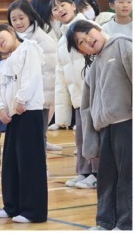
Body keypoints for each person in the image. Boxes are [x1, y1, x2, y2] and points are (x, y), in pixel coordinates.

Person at [67, 19, 132, 231]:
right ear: (81, 51)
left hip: (127, 123)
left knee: (127, 176)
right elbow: (86, 108)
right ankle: (105, 222)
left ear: (97, 29)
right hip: (106, 129)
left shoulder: (122, 44)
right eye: (80, 42)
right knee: (106, 177)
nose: (87, 40)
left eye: (87, 33)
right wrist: (90, 141)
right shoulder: (94, 66)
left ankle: (126, 224)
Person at [0, 23, 47, 223]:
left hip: (29, 112)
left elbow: (32, 76)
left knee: (30, 163)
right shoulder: (5, 62)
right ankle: (11, 206)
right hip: (13, 116)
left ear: (12, 31)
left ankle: (33, 211)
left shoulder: (29, 48)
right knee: (12, 163)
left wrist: (21, 100)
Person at [52, 0, 100, 188]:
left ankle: (97, 174)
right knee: (81, 136)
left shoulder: (88, 26)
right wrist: (62, 112)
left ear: (73, 6)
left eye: (62, 5)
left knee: (93, 136)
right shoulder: (61, 40)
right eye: (55, 9)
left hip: (94, 92)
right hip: (78, 96)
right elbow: (60, 75)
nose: (60, 10)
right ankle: (84, 171)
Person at [7, 0, 59, 152]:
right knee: (22, 140)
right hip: (18, 100)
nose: (18, 22)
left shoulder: (43, 40)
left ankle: (40, 166)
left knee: (37, 138)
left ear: (30, 16)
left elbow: (48, 75)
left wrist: (31, 98)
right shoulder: (14, 39)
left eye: (21, 18)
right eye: (13, 19)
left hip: (37, 101)